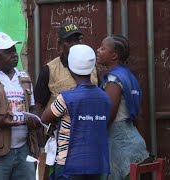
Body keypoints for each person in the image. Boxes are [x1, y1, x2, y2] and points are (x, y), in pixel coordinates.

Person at [34, 22, 98, 179]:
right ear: (60, 45)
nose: (75, 44)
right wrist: (44, 139)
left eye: (78, 39)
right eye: (69, 41)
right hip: (60, 143)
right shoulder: (49, 70)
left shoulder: (91, 67)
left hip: (89, 140)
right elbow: (39, 105)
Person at [0, 32, 41, 180]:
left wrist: (35, 120)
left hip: (24, 148)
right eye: (8, 51)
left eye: (14, 49)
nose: (14, 54)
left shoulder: (23, 77)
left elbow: (33, 107)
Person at [41, 44, 111, 180]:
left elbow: (44, 117)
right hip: (97, 162)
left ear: (71, 69)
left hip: (69, 163)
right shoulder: (104, 98)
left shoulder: (66, 98)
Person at [96, 35, 152, 180]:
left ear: (114, 56)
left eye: (102, 48)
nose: (98, 50)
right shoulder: (128, 76)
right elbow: (139, 115)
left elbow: (107, 116)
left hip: (121, 146)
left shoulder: (114, 80)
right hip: (132, 142)